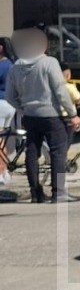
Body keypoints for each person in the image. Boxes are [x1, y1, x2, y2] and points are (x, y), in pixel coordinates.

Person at [4, 24, 80, 203]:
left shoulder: (16, 67)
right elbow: (60, 91)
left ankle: (35, 193)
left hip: (30, 116)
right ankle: (59, 192)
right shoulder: (49, 63)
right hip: (51, 115)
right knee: (58, 152)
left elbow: (10, 96)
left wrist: (23, 108)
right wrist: (72, 114)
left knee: (32, 153)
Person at [0, 36, 14, 186]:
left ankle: (1, 173)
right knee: (2, 140)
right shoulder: (12, 64)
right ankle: (4, 172)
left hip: (0, 104)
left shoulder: (2, 65)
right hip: (9, 105)